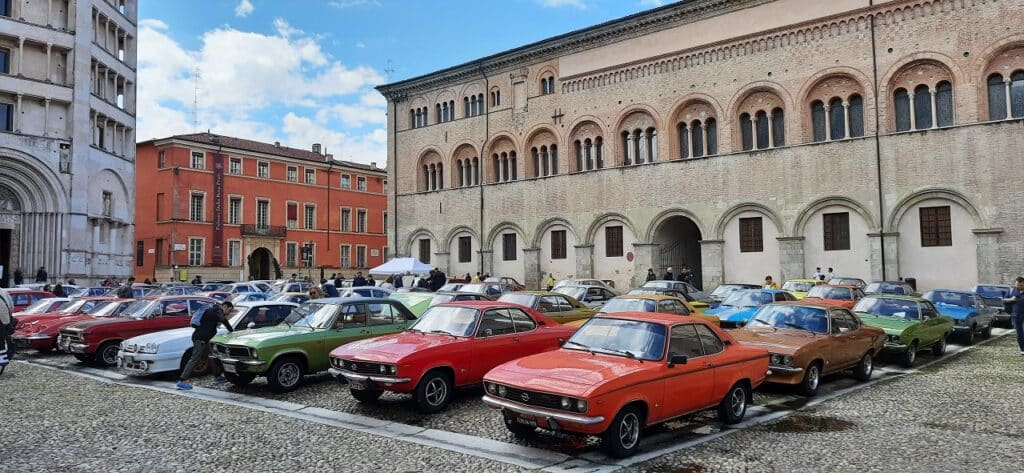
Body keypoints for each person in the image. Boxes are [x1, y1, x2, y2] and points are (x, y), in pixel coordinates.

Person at [176, 301, 234, 390]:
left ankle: (218, 376)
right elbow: (223, 320)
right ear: (225, 306)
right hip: (200, 339)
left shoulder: (212, 310)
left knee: (212, 356)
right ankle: (182, 380)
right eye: (229, 311)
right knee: (195, 359)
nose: (229, 313)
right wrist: (231, 330)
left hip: (205, 340)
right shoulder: (217, 310)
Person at [1004, 277, 1024, 355]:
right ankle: (1022, 349)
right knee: (1019, 334)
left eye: (1021, 285)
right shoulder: (1012, 291)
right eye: (1017, 285)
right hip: (1016, 316)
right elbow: (1004, 300)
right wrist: (1011, 299)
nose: (1018, 287)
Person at [1, 288, 16, 360]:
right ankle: (4, 355)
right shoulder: (3, 291)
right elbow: (12, 307)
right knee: (4, 337)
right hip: (5, 320)